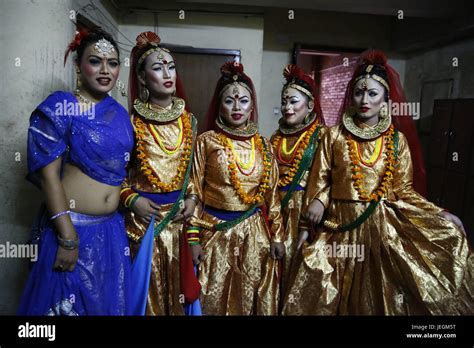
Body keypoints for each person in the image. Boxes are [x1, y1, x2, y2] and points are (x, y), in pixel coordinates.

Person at [282, 50, 474, 315]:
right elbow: (321, 178)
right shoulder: (334, 136)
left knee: (378, 298)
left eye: (372, 94)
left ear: (386, 99)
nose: (364, 100)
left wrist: (439, 213)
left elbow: (404, 191)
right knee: (322, 291)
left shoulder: (396, 141)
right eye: (359, 93)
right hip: (339, 225)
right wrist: (314, 206)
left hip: (381, 229)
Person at [18, 28, 134, 315]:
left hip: (111, 231)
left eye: (113, 63)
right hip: (72, 229)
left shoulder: (118, 112)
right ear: (78, 66)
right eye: (95, 61)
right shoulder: (60, 107)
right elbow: (48, 178)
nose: (105, 70)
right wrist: (67, 237)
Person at [183, 61, 285, 315]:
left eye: (244, 101)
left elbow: (272, 196)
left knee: (250, 300)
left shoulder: (264, 146)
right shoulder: (206, 142)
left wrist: (278, 236)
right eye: (229, 101)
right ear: (219, 105)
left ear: (252, 106)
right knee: (211, 300)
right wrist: (193, 239)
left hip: (255, 236)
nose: (237, 107)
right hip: (214, 232)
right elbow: (193, 190)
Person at [121, 31, 198, 315]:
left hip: (178, 224)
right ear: (142, 78)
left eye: (171, 66)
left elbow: (193, 177)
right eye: (157, 67)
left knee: (178, 298)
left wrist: (191, 201)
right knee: (145, 298)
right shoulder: (129, 123)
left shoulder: (189, 121)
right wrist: (132, 200)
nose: (167, 73)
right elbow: (114, 177)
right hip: (143, 224)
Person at [270, 64, 325, 305]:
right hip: (276, 212)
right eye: (284, 102)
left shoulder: (322, 135)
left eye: (293, 101)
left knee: (301, 275)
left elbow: (330, 177)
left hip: (307, 214)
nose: (287, 108)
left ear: (310, 105)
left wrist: (319, 202)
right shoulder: (276, 137)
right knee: (274, 271)